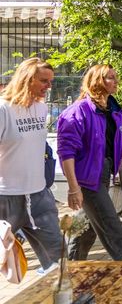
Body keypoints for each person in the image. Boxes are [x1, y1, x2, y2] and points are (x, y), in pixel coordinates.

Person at [57, 64, 122, 261]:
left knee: (87, 226)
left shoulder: (114, 110)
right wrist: (74, 188)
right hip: (87, 178)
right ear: (97, 81)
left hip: (104, 172)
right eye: (111, 77)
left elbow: (117, 145)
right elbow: (66, 152)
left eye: (116, 77)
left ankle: (71, 268)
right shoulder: (78, 111)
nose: (116, 81)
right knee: (113, 227)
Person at [0, 58, 62, 273]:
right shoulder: (3, 109)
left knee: (58, 260)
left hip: (39, 196)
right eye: (44, 80)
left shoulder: (41, 108)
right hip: (5, 199)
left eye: (51, 81)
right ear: (27, 79)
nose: (49, 86)